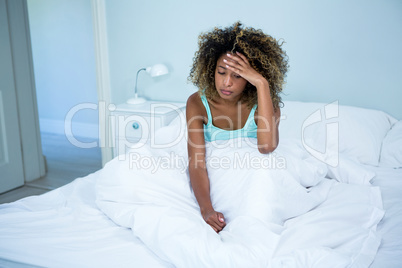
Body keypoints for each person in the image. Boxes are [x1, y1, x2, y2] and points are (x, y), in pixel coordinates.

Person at [186, 22, 289, 233]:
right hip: (219, 179)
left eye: (238, 75)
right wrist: (206, 209)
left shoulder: (266, 102)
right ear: (210, 70)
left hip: (256, 177)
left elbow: (267, 147)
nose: (226, 83)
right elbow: (197, 163)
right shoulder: (197, 103)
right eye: (221, 72)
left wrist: (262, 84)